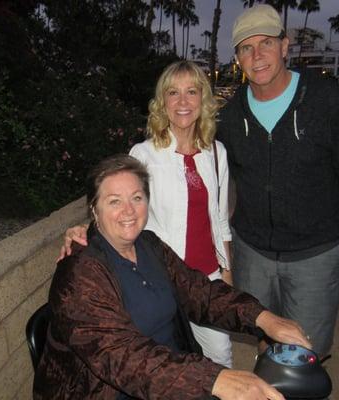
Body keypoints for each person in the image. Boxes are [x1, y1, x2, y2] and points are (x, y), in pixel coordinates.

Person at [33, 154, 311, 400]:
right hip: (113, 388)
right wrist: (214, 379)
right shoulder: (78, 273)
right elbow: (121, 356)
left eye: (137, 197)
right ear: (94, 209)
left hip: (172, 373)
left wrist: (262, 318)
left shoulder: (150, 244)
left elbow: (199, 292)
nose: (128, 211)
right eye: (114, 201)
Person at [217, 4, 339, 357]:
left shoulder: (325, 100)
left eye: (266, 43)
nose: (257, 56)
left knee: (305, 354)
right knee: (266, 342)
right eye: (246, 48)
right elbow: (190, 162)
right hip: (253, 253)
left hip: (316, 255)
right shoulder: (229, 116)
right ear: (238, 58)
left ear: (285, 46)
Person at [59, 60, 235, 368]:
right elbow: (120, 204)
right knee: (170, 363)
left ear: (203, 100)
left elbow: (220, 221)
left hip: (207, 278)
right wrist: (84, 230)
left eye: (191, 92)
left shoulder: (217, 152)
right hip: (162, 279)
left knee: (220, 358)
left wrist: (226, 274)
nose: (183, 101)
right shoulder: (144, 154)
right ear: (162, 102)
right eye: (173, 93)